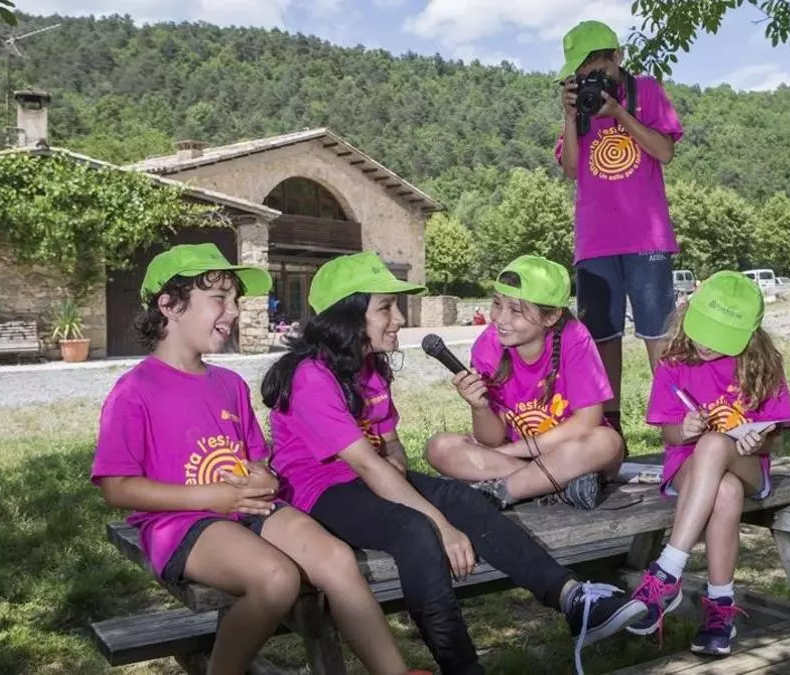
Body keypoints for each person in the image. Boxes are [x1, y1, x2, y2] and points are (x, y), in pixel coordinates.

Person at [262, 251, 647, 675]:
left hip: (371, 476)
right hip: (320, 491)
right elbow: (369, 467)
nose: (399, 319)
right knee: (416, 531)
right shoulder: (310, 376)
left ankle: (573, 598)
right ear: (346, 316)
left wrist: (400, 464)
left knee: (463, 498)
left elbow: (390, 447)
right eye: (386, 308)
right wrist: (441, 525)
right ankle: (462, 666)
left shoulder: (369, 368)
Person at [90, 243, 420, 675]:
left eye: (235, 300)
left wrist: (265, 478)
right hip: (181, 522)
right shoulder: (135, 391)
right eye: (219, 299)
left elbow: (259, 461)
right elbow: (116, 488)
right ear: (169, 305)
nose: (232, 311)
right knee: (277, 578)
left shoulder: (230, 384)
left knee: (337, 559)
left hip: (250, 508)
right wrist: (214, 497)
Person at [624, 271, 790, 656]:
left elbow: (778, 438)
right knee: (726, 490)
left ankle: (667, 571)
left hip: (748, 465)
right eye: (702, 330)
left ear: (747, 336)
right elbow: (669, 436)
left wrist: (759, 440)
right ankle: (721, 607)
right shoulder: (674, 361)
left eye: (719, 338)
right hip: (687, 469)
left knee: (717, 445)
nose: (704, 344)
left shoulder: (763, 364)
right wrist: (684, 430)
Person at [555, 19, 685, 443]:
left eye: (597, 69)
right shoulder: (581, 106)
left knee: (659, 334)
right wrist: (571, 117)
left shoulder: (645, 90)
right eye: (582, 73)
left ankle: (676, 428)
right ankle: (610, 436)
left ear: (618, 57)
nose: (591, 79)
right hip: (595, 242)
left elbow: (664, 151)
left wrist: (618, 113)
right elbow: (572, 169)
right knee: (601, 339)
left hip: (646, 238)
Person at [425, 255, 623, 510]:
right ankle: (551, 485)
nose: (500, 318)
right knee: (439, 447)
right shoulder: (487, 346)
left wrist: (511, 452)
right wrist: (479, 407)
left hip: (571, 454)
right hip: (521, 458)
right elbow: (491, 440)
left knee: (607, 441)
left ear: (551, 317)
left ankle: (504, 490)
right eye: (497, 304)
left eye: (516, 310)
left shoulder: (574, 336)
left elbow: (587, 422)